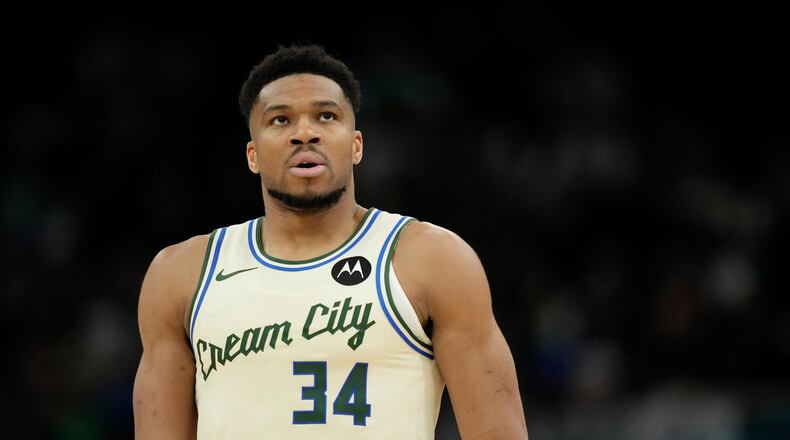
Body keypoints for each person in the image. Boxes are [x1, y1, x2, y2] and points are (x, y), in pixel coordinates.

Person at [133, 44, 528, 439]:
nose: (305, 133)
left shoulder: (431, 260)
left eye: (325, 116)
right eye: (280, 120)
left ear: (356, 145)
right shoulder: (181, 275)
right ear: (252, 156)